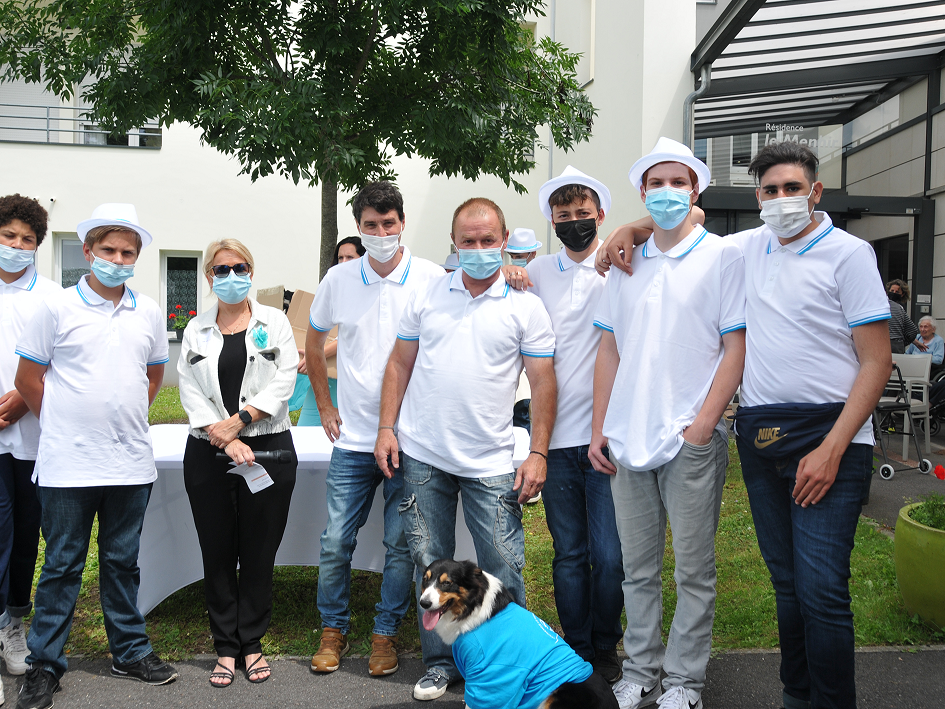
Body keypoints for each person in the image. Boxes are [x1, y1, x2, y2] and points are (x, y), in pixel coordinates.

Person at [598, 141, 892, 709]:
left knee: (822, 589)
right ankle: (796, 696)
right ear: (757, 197)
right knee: (787, 585)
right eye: (771, 190)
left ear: (815, 192)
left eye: (792, 188)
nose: (782, 199)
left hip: (831, 434)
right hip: (763, 435)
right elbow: (681, 222)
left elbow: (876, 360)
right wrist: (630, 228)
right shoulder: (746, 247)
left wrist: (833, 446)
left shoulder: (850, 254)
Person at [374, 197, 557, 701]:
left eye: (487, 240)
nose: (478, 249)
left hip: (490, 462)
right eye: (468, 241)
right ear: (454, 243)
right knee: (428, 563)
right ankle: (440, 664)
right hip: (423, 456)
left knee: (504, 566)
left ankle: (511, 665)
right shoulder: (428, 294)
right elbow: (399, 365)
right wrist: (387, 427)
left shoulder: (526, 305)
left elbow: (543, 383)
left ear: (504, 241)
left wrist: (538, 452)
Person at [590, 138, 746, 709]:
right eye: (656, 183)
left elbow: (735, 348)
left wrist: (702, 426)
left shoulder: (723, 256)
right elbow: (609, 349)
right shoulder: (625, 262)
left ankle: (684, 682)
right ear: (641, 192)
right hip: (628, 435)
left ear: (695, 189)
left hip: (689, 438)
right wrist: (600, 428)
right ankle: (640, 671)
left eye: (678, 182)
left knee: (693, 572)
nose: (667, 193)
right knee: (637, 570)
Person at [14, 203, 178, 709]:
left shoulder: (148, 312)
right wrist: (64, 422)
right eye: (108, 250)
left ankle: (129, 652)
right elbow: (28, 379)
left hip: (129, 462)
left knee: (122, 562)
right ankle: (44, 665)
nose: (118, 259)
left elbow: (152, 376)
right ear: (88, 252)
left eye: (128, 252)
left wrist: (119, 417)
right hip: (67, 464)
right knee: (62, 565)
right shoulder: (56, 307)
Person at [305, 181, 444, 678]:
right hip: (353, 440)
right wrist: (324, 404)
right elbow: (313, 341)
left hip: (411, 441)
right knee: (335, 542)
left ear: (402, 223)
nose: (381, 233)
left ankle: (385, 634)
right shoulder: (339, 278)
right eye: (371, 225)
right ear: (358, 228)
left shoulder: (432, 278)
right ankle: (333, 630)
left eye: (389, 224)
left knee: (400, 547)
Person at [177, 238, 299, 687]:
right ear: (209, 277)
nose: (232, 276)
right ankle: (225, 647)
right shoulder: (196, 329)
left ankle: (252, 643)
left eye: (240, 267)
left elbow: (284, 378)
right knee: (217, 551)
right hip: (208, 451)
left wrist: (241, 421)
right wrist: (223, 436)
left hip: (268, 447)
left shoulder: (275, 322)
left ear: (251, 271)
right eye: (222, 269)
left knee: (259, 550)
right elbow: (188, 387)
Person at [523, 166, 624, 683]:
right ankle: (577, 648)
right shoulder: (539, 272)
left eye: (583, 213)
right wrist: (511, 269)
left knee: (609, 556)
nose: (574, 222)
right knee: (569, 555)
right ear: (552, 222)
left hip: (608, 436)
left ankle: (606, 644)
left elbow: (689, 218)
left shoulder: (623, 262)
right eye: (563, 215)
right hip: (556, 438)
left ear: (600, 215)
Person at [0, 196, 61, 690]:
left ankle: (13, 625)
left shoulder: (53, 297)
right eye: (8, 236)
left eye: (27, 240)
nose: (17, 246)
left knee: (24, 538)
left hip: (34, 436)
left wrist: (25, 396)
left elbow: (64, 362)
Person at [290, 236, 366, 425]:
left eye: (350, 257)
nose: (344, 262)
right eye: (340, 258)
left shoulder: (369, 294)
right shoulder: (332, 290)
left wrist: (315, 355)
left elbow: (351, 336)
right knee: (308, 431)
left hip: (351, 380)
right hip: (325, 378)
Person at [886, 279, 920, 354]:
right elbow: (912, 331)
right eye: (892, 291)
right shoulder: (900, 308)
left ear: (902, 294)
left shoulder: (882, 305)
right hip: (897, 346)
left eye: (897, 292)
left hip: (883, 343)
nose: (894, 293)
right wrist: (901, 342)